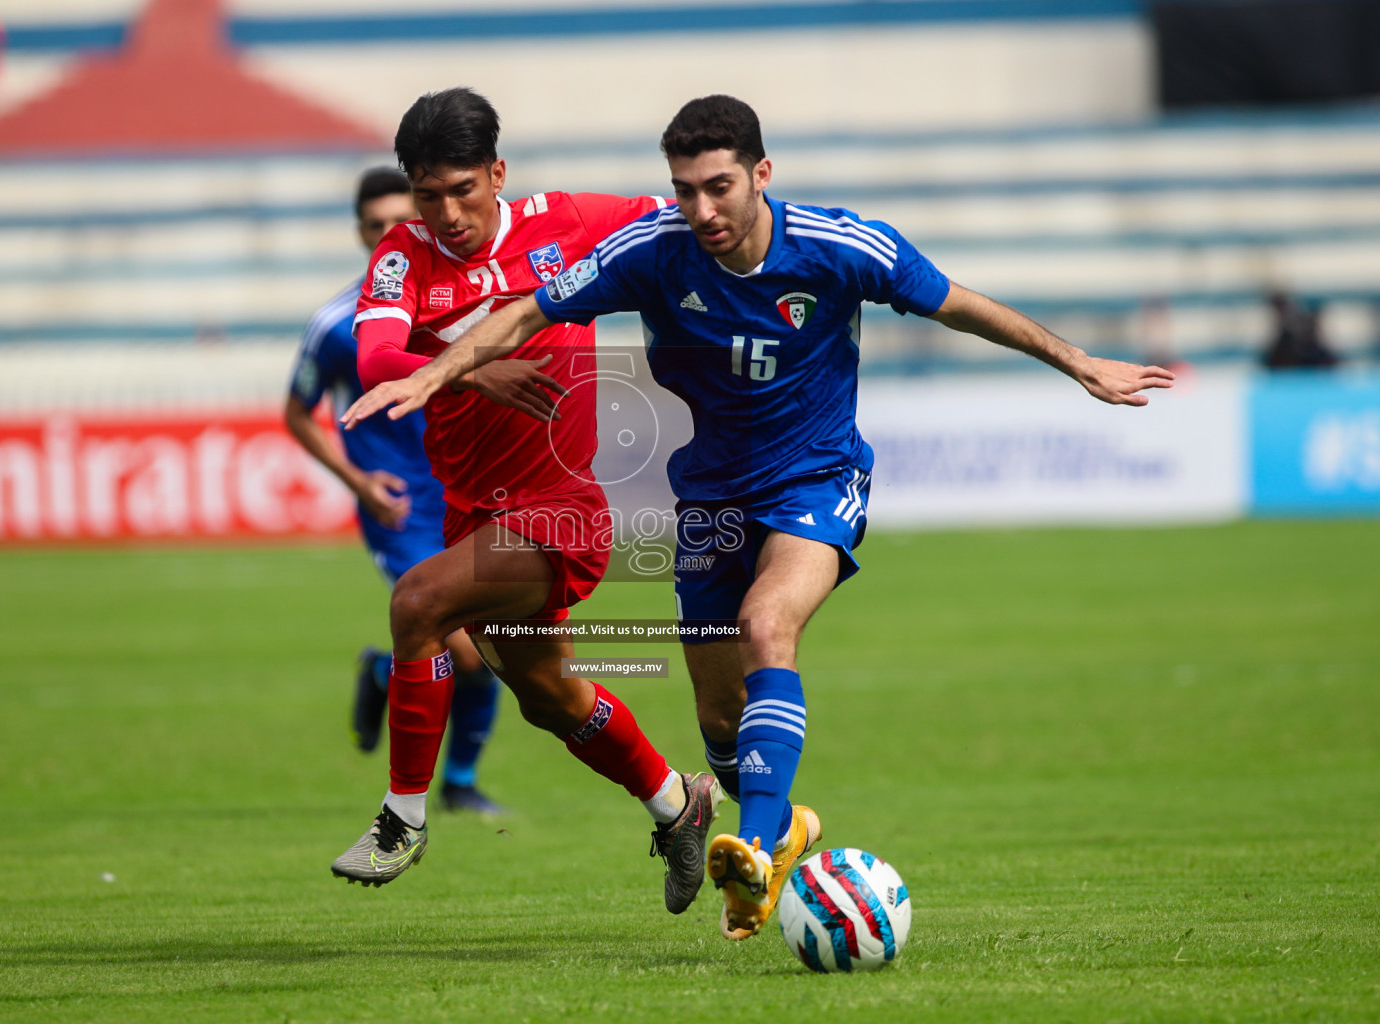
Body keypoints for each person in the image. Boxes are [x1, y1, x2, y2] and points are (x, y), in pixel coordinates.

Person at [348, 94, 1176, 939]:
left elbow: (957, 302)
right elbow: (529, 309)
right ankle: (766, 824)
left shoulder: (841, 245)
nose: (702, 209)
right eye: (684, 190)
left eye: (718, 187)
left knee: (766, 625)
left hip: (813, 479)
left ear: (761, 175)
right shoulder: (651, 251)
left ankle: (752, 849)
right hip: (709, 496)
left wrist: (1079, 363)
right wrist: (441, 370)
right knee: (714, 721)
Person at [328, 88, 722, 913]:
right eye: (429, 195)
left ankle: (403, 819)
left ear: (497, 173)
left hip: (561, 508)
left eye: (463, 190)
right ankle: (676, 805)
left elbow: (689, 215)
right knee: (552, 698)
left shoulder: (570, 222)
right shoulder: (403, 254)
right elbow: (374, 360)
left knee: (417, 603)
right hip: (475, 511)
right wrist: (476, 364)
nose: (448, 213)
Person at [285, 167, 506, 814]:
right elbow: (298, 413)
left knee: (494, 645)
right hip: (401, 509)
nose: (388, 234)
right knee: (465, 646)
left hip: (466, 496)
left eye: (397, 221)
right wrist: (358, 482)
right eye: (375, 225)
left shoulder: (459, 302)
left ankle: (389, 673)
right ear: (361, 233)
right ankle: (458, 786)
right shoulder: (335, 325)